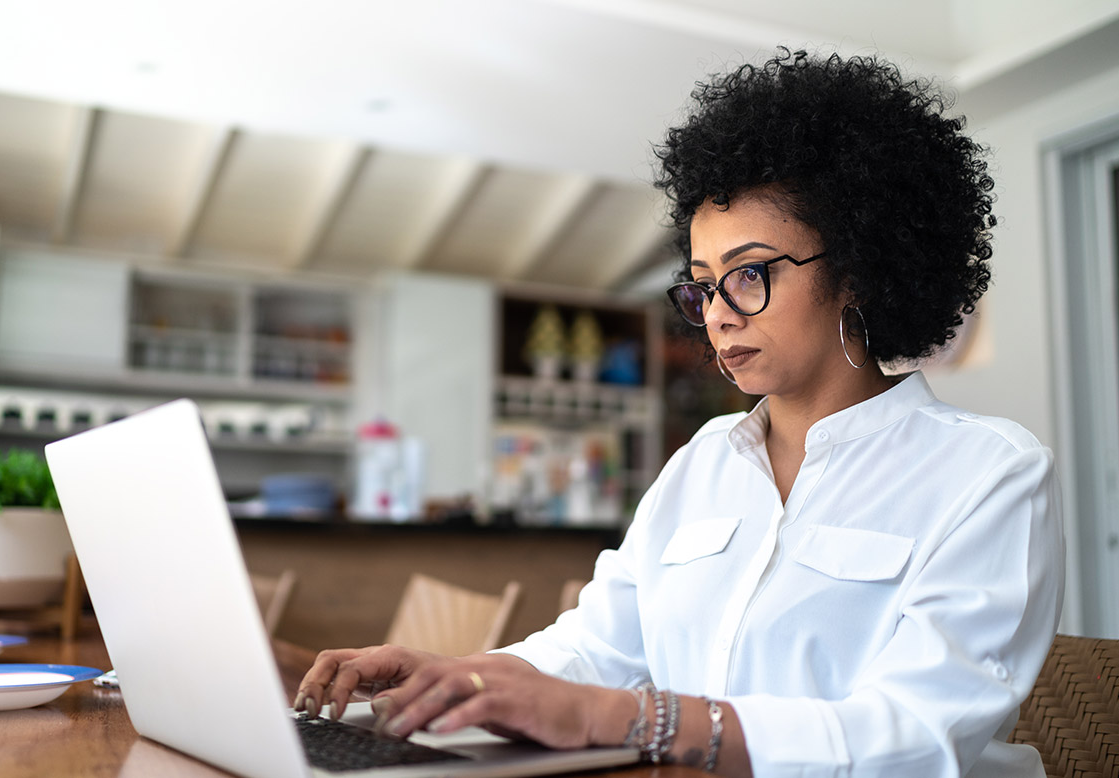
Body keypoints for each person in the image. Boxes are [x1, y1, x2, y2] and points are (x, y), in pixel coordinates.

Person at [296, 49, 1064, 777]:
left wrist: (636, 720)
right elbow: (600, 646)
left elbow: (914, 737)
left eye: (750, 274)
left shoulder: (987, 472)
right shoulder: (704, 459)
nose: (719, 315)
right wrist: (460, 678)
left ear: (860, 269)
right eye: (703, 285)